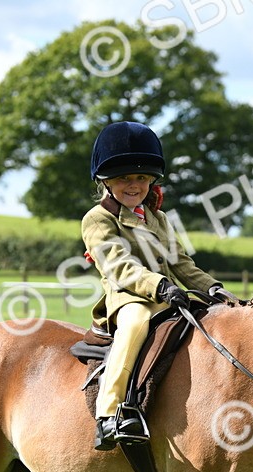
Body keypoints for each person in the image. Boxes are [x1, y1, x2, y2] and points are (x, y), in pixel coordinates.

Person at [81, 121, 238, 451]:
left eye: (140, 177)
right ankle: (108, 415)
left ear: (151, 179)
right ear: (106, 181)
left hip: (168, 297)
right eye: (124, 177)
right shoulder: (98, 219)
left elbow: (182, 263)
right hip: (127, 299)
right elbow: (119, 266)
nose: (134, 184)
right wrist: (160, 285)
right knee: (137, 322)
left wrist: (214, 289)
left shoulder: (159, 219)